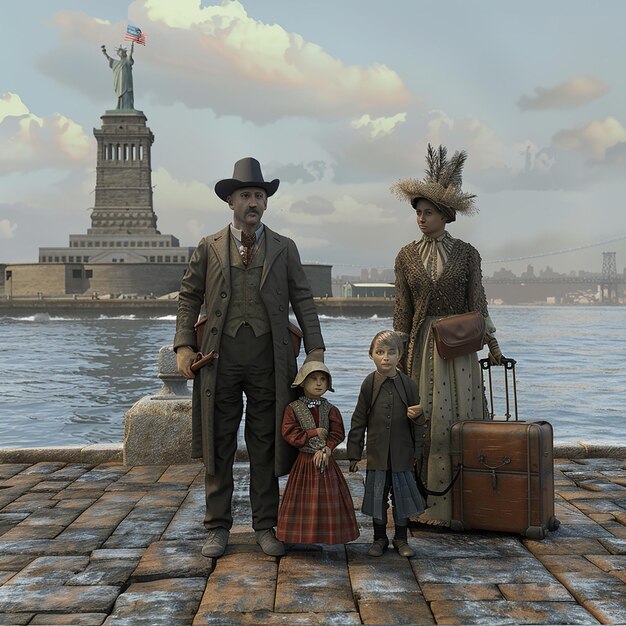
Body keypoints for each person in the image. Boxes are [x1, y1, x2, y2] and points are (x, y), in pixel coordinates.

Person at [174, 157, 325, 558]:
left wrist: (315, 351)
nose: (253, 202)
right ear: (231, 201)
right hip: (218, 360)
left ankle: (265, 526)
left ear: (265, 202)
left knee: (264, 443)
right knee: (219, 442)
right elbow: (188, 297)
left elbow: (304, 301)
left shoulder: (284, 247)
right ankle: (217, 527)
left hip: (269, 361)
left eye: (259, 195)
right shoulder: (208, 247)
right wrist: (184, 346)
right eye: (246, 195)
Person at [391, 144, 504, 526]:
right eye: (418, 213)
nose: (421, 219)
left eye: (428, 212)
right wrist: (393, 352)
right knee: (424, 420)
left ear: (445, 215)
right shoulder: (406, 255)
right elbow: (402, 309)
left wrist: (494, 346)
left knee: (461, 419)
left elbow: (478, 303)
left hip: (458, 350)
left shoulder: (469, 254)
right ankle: (424, 504)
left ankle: (466, 503)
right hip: (421, 349)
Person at [347, 330, 425, 557]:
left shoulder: (409, 385)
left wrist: (418, 450)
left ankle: (401, 538)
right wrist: (354, 453)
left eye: (391, 352)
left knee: (402, 497)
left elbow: (419, 422)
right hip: (377, 454)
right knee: (377, 496)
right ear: (370, 355)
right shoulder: (369, 384)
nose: (386, 357)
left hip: (403, 454)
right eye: (380, 352)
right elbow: (359, 418)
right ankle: (379, 538)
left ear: (399, 355)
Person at [276, 361, 359, 545]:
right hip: (305, 460)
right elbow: (288, 432)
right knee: (303, 499)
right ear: (302, 382)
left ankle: (328, 534)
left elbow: (338, 433)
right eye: (313, 379)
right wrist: (313, 433)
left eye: (323, 379)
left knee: (329, 499)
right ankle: (300, 537)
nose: (318, 383)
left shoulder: (331, 409)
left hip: (326, 460)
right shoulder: (293, 408)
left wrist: (328, 448)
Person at [101, 42, 135, 110]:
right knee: (120, 93)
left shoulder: (127, 60)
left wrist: (132, 48)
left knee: (127, 93)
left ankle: (128, 107)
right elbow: (110, 59)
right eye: (119, 53)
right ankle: (119, 106)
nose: (121, 54)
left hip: (126, 80)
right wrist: (105, 54)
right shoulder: (117, 63)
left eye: (122, 52)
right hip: (120, 81)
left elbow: (130, 56)